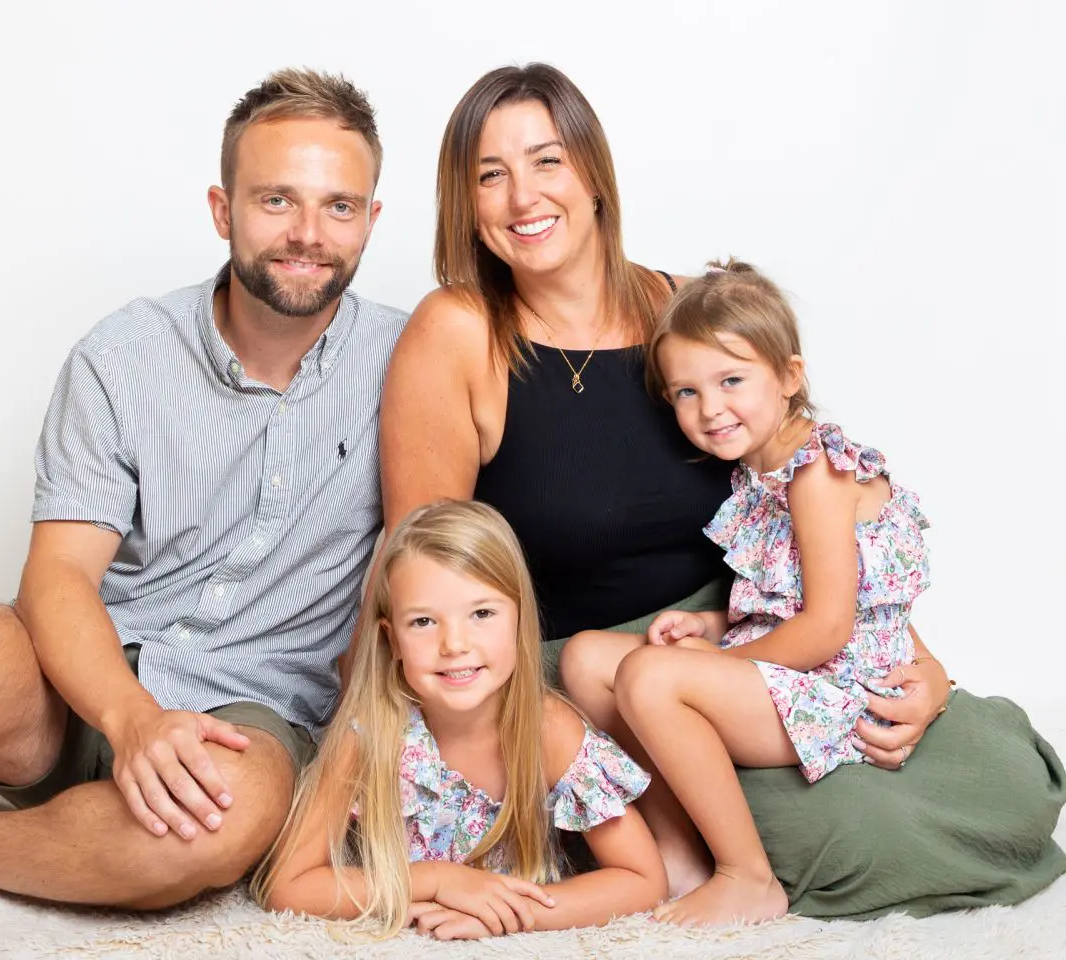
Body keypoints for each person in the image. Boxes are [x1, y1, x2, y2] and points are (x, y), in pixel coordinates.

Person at [380, 61, 1066, 918]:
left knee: (1001, 776)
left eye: (547, 160)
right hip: (584, 675)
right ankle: (697, 856)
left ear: (594, 174)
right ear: (465, 203)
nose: (523, 195)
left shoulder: (682, 313)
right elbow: (422, 573)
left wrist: (913, 660)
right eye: (490, 174)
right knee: (842, 836)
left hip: (748, 639)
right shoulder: (457, 331)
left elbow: (801, 505)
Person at [0, 69, 408, 909]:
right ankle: (75, 813)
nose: (308, 233)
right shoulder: (123, 356)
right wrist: (130, 720)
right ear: (222, 210)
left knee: (210, 828)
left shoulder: (409, 365)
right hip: (85, 680)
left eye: (339, 206)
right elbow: (56, 578)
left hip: (250, 709)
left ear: (371, 221)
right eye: (276, 201)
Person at [578, 258, 932, 925]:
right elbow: (784, 596)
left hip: (843, 693)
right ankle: (680, 856)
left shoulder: (817, 473)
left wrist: (709, 665)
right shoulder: (756, 477)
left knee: (652, 678)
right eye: (685, 392)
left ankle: (748, 876)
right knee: (587, 659)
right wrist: (712, 626)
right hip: (791, 672)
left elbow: (829, 626)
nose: (710, 408)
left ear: (789, 377)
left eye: (731, 380)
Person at [255, 499, 666, 940]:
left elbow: (642, 879)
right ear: (392, 640)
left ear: (518, 620)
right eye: (424, 621)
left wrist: (510, 914)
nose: (454, 644)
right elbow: (288, 885)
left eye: (482, 614)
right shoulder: (372, 732)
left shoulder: (547, 729)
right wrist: (437, 880)